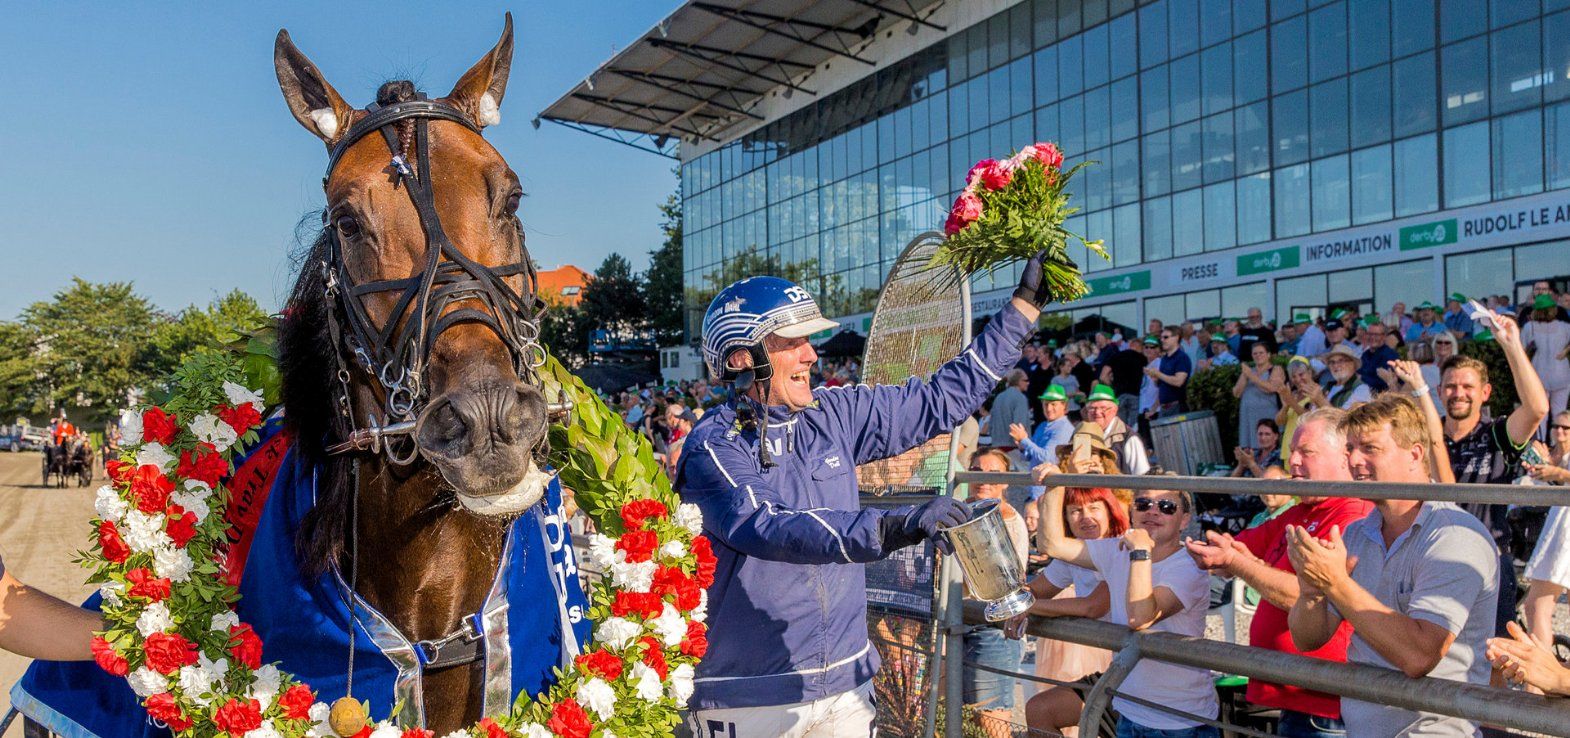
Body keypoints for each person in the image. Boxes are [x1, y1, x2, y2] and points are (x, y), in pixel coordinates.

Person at [677, 257, 1054, 735]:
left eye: (809, 342)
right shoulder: (713, 444)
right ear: (741, 358)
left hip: (849, 684)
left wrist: (1021, 311)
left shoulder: (835, 412)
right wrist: (895, 524)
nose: (812, 355)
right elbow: (767, 525)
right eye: (792, 343)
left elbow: (942, 399)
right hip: (749, 693)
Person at [1288, 396, 1498, 737]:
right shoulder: (1359, 532)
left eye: (1370, 448)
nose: (1354, 460)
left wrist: (1336, 583)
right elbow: (1307, 638)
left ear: (1415, 454)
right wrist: (1312, 591)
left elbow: (1419, 656)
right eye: (1350, 449)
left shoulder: (1454, 535)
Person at [1187, 408, 1372, 737]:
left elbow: (1306, 597)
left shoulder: (1354, 514)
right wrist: (1219, 552)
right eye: (1292, 454)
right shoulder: (1299, 511)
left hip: (1325, 709)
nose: (1293, 464)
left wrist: (1239, 563)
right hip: (1298, 699)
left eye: (1306, 453)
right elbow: (1239, 547)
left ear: (1345, 458)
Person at [1035, 466, 1219, 738]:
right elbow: (1052, 545)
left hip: (1179, 720)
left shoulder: (1189, 565)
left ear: (1184, 520)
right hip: (1129, 711)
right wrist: (1053, 486)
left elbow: (1140, 616)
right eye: (1144, 503)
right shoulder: (1118, 549)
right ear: (1132, 511)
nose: (1153, 511)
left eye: (1166, 506)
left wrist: (1141, 552)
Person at [1441, 308, 1548, 637]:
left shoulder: (1495, 434)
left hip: (1489, 557)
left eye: (1467, 386)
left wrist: (1512, 345)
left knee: (1494, 653)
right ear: (1438, 390)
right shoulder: (1426, 439)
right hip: (1437, 555)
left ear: (1485, 393)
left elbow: (1537, 409)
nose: (1458, 393)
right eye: (1450, 386)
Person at [1018, 482, 1127, 738]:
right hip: (1120, 666)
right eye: (1075, 511)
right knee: (1040, 709)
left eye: (1094, 508)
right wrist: (1019, 603)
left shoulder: (1121, 546)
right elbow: (1036, 589)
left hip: (1145, 671)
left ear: (1110, 511)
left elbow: (1093, 606)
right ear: (1065, 519)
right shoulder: (1074, 554)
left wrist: (1027, 607)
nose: (1086, 517)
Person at [961, 450, 1029, 738]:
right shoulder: (958, 510)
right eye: (976, 470)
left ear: (1006, 481)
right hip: (957, 623)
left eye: (993, 473)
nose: (983, 478)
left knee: (991, 725)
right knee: (961, 719)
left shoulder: (1007, 521)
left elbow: (996, 583)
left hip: (993, 629)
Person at [1520, 410, 1570, 647]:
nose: (1559, 432)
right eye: (1556, 426)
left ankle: (1545, 680)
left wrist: (1556, 472)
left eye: (1566, 428)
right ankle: (1545, 679)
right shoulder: (1556, 455)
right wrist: (1546, 467)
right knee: (1535, 606)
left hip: (1564, 532)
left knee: (1537, 606)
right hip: (1559, 529)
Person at [1522, 293, 1570, 439]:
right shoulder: (1565, 327)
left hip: (1538, 375)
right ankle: (1558, 444)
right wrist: (1565, 351)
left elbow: (1521, 350)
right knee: (1559, 412)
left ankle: (1541, 443)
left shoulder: (1529, 327)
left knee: (1541, 414)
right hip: (1561, 373)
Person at [1081, 383, 1151, 476]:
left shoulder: (1128, 438)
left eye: (1103, 408)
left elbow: (1142, 477)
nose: (1097, 412)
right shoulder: (1082, 435)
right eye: (1092, 408)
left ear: (1115, 410)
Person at [1234, 342, 1283, 447]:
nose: (1258, 355)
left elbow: (1270, 388)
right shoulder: (1248, 372)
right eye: (1255, 353)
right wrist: (1244, 375)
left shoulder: (1276, 369)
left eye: (1261, 353)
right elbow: (1236, 393)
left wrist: (1251, 376)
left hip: (1268, 417)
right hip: (1249, 419)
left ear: (1268, 354)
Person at [1101, 336, 1149, 431]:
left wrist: (1113, 386)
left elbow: (1103, 376)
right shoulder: (1142, 358)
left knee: (1121, 426)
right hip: (1135, 394)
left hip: (1119, 394)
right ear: (1140, 347)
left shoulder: (1116, 356)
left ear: (1130, 345)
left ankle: (1122, 444)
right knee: (1134, 426)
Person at [1146, 327, 1192, 416]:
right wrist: (1156, 379)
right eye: (1161, 337)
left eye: (1166, 337)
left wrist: (1158, 374)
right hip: (1164, 408)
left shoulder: (1181, 357)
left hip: (1177, 406)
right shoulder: (1164, 359)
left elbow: (1178, 381)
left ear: (1176, 338)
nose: (1162, 340)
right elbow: (1162, 387)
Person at [990, 369, 1034, 449]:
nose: (1028, 383)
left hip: (996, 447)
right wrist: (1023, 447)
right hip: (1013, 448)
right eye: (1026, 380)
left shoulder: (999, 397)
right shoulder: (1020, 398)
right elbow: (1019, 425)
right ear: (1018, 381)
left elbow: (991, 423)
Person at [1318, 345, 1371, 410]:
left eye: (1341, 361)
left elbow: (1345, 417)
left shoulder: (1361, 389)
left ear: (1353, 364)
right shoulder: (1325, 387)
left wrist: (1320, 400)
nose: (1336, 365)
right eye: (1332, 362)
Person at [1356, 319, 1398, 393]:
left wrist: (1362, 378)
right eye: (1369, 334)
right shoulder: (1365, 355)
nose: (1372, 337)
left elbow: (1383, 383)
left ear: (1384, 336)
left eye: (1376, 335)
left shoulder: (1390, 356)